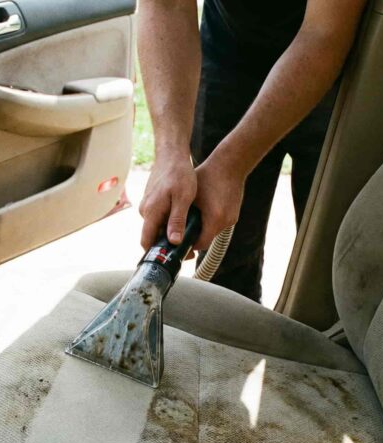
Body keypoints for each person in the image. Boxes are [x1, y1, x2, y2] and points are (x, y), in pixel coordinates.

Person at [138, 0, 367, 302]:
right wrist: (170, 152)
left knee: (335, 274)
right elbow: (165, 5)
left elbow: (324, 34)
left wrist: (229, 166)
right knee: (223, 277)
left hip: (344, 67)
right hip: (228, 52)